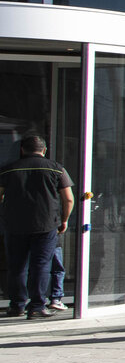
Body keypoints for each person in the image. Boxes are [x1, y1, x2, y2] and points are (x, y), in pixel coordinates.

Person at [1, 136, 73, 319]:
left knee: (17, 266)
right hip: (46, 224)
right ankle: (37, 306)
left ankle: (16, 305)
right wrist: (64, 220)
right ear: (44, 150)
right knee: (41, 265)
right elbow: (69, 198)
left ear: (22, 150)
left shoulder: (8, 169)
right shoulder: (56, 168)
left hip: (15, 224)